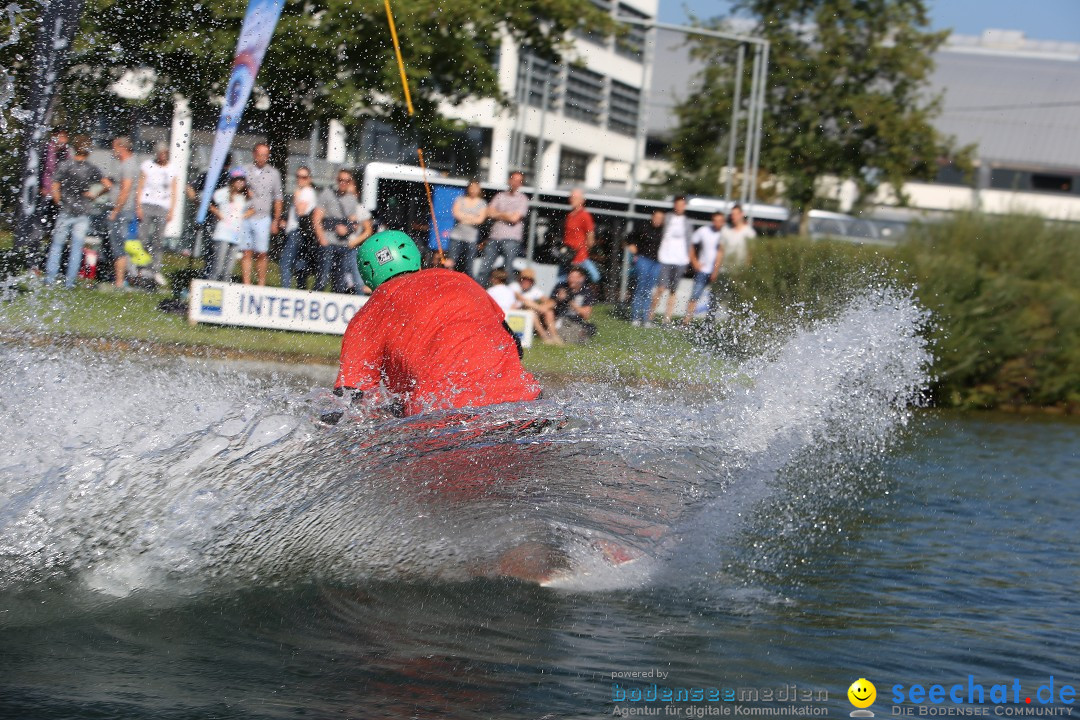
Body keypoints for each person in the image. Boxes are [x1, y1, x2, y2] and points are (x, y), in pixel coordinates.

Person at [333, 230, 542, 418]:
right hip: (526, 406)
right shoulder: (464, 281)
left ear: (367, 275)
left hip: (446, 419)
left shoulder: (369, 314)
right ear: (416, 259)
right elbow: (516, 347)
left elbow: (349, 399)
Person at [44, 135, 109, 288]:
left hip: (66, 209)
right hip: (83, 212)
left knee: (57, 245)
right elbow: (108, 185)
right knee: (76, 247)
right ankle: (70, 282)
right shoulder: (91, 168)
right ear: (88, 151)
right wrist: (94, 195)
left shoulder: (66, 165)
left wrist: (58, 200)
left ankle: (49, 279)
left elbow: (55, 186)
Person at [313, 169, 372, 293]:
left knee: (340, 281)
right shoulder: (327, 194)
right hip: (328, 243)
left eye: (346, 181)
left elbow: (354, 224)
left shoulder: (352, 200)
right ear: (337, 180)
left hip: (343, 245)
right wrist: (322, 239)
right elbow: (317, 218)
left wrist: (347, 230)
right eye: (340, 180)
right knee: (323, 278)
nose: (343, 183)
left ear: (350, 182)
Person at [135, 142, 178, 286]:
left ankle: (155, 269)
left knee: (158, 240)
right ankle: (141, 267)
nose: (162, 156)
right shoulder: (147, 165)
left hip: (162, 206)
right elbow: (140, 186)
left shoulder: (172, 169)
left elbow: (173, 190)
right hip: (146, 203)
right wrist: (138, 206)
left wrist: (172, 210)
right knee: (142, 238)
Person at [241, 142, 284, 286]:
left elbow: (278, 198)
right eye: (260, 154)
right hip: (246, 215)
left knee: (262, 252)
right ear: (254, 154)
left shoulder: (273, 173)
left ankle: (261, 283)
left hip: (263, 217)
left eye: (265, 155)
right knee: (246, 251)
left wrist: (276, 220)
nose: (262, 158)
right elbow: (235, 188)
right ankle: (246, 282)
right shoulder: (245, 170)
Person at [477, 170, 528, 283]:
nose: (515, 183)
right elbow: (489, 212)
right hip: (495, 237)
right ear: (509, 180)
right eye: (513, 179)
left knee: (508, 269)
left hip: (512, 239)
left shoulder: (522, 199)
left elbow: (514, 219)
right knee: (485, 267)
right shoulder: (499, 196)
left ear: (521, 184)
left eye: (518, 181)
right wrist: (507, 215)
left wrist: (498, 214)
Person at [648, 196, 692, 326]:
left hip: (680, 260)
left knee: (673, 290)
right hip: (665, 258)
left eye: (682, 205)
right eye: (677, 204)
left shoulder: (687, 222)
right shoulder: (667, 218)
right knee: (661, 288)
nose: (679, 207)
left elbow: (689, 241)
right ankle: (650, 314)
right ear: (674, 205)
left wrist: (688, 258)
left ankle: (667, 318)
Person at [103, 136, 137, 290]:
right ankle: (116, 279)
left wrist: (115, 211)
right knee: (113, 245)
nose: (113, 150)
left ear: (122, 147)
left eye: (114, 147)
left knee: (118, 246)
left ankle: (119, 281)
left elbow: (125, 190)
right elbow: (115, 186)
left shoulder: (128, 165)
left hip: (122, 211)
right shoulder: (123, 164)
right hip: (120, 209)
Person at [208, 168, 254, 281]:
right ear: (232, 181)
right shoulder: (223, 193)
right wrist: (218, 213)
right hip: (223, 233)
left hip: (236, 235)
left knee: (228, 270)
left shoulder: (244, 196)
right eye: (237, 180)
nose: (240, 183)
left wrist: (242, 216)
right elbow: (210, 204)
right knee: (217, 267)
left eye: (242, 180)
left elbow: (253, 209)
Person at [683, 211, 726, 326]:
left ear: (723, 222)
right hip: (703, 270)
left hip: (719, 272)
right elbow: (691, 243)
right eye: (715, 220)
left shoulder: (726, 234)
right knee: (695, 296)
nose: (717, 223)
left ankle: (710, 324)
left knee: (714, 300)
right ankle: (686, 322)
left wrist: (716, 270)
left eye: (720, 221)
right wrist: (695, 262)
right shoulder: (703, 231)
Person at [280, 166, 319, 289]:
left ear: (309, 178)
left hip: (297, 232)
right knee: (300, 264)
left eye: (304, 177)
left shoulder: (306, 192)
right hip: (299, 231)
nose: (300, 179)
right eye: (298, 176)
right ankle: (301, 289)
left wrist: (296, 196)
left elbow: (301, 212)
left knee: (285, 263)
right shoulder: (307, 192)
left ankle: (285, 290)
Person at [625, 209, 665, 327]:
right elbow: (629, 237)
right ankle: (635, 317)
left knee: (649, 290)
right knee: (640, 287)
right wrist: (632, 247)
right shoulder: (643, 227)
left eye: (660, 219)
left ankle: (646, 318)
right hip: (644, 259)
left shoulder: (664, 231)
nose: (658, 220)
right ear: (652, 217)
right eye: (656, 217)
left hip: (657, 262)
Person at [511, 266, 563, 345]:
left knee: (549, 312)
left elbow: (551, 302)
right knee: (531, 311)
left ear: (532, 282)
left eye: (529, 280)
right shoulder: (514, 286)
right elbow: (523, 300)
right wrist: (539, 308)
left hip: (530, 314)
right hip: (515, 315)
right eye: (524, 279)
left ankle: (554, 336)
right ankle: (544, 337)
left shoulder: (534, 290)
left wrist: (544, 307)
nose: (526, 282)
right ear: (520, 279)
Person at [448, 180, 487, 275]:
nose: (473, 190)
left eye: (475, 188)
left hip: (471, 238)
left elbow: (480, 220)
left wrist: (464, 217)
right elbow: (456, 214)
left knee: (469, 264)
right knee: (451, 262)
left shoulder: (482, 203)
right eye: (471, 187)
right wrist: (472, 218)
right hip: (456, 236)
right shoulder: (460, 199)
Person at [562, 188, 600, 284]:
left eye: (575, 198)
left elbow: (590, 238)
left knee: (595, 277)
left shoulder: (585, 216)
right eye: (571, 197)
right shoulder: (570, 216)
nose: (572, 200)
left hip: (580, 256)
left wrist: (583, 250)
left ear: (582, 200)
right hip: (567, 256)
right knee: (563, 280)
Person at [551, 266, 597, 341]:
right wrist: (558, 299)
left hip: (576, 322)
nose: (571, 279)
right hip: (560, 320)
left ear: (581, 278)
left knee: (590, 328)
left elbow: (586, 315)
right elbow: (549, 304)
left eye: (574, 277)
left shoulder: (586, 291)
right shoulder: (561, 287)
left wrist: (569, 300)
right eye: (570, 277)